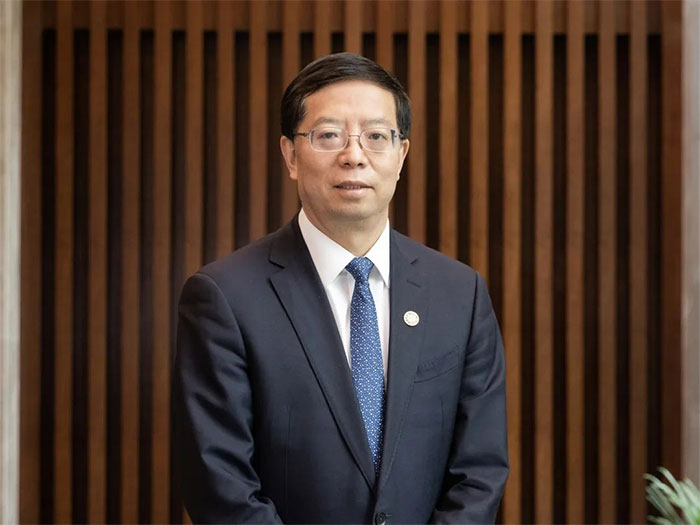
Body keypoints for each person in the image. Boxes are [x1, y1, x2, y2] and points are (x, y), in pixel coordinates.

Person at [173, 52, 508, 524]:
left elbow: (480, 470)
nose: (354, 155)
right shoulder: (224, 297)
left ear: (401, 155)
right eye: (329, 135)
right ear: (290, 155)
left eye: (376, 136)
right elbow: (219, 484)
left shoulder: (459, 294)